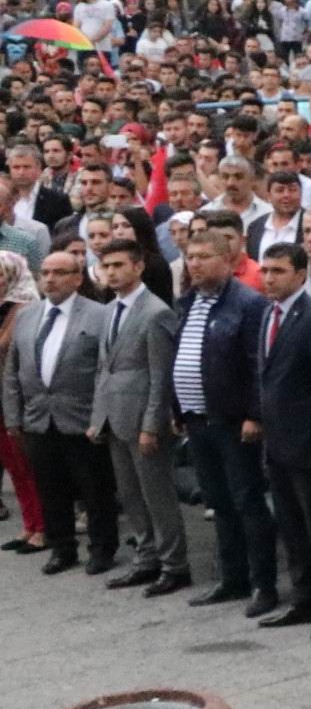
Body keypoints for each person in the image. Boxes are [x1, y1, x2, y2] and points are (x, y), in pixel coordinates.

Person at [169, 225, 277, 610]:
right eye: (190, 257)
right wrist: (178, 408)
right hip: (198, 420)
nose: (194, 264)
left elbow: (257, 366)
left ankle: (264, 584)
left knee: (248, 501)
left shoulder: (248, 304)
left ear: (228, 261)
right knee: (218, 501)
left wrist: (254, 414)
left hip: (234, 422)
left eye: (203, 257)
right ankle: (232, 578)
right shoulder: (188, 301)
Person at [248, 244, 311, 634]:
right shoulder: (268, 314)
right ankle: (305, 599)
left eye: (278, 271)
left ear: (301, 275)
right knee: (290, 527)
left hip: (307, 447)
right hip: (278, 442)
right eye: (265, 270)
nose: (268, 278)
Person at [4, 249, 115, 577]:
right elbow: (13, 371)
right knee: (51, 489)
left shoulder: (99, 315)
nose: (50, 279)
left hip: (82, 419)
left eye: (59, 273)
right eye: (45, 273)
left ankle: (102, 549)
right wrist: (14, 416)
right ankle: (63, 547)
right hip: (39, 418)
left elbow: (105, 369)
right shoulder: (27, 316)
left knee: (95, 490)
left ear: (77, 279)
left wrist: (100, 417)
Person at [88, 238, 184, 595]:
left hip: (143, 418)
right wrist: (99, 416)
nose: (111, 272)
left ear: (138, 266)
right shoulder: (111, 308)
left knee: (157, 495)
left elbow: (161, 375)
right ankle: (146, 558)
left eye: (118, 265)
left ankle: (174, 564)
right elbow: (104, 367)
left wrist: (151, 424)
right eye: (106, 266)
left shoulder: (155, 312)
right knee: (130, 495)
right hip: (115, 416)